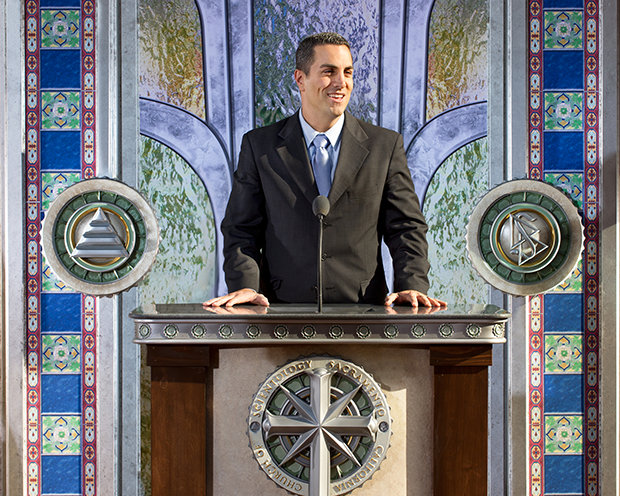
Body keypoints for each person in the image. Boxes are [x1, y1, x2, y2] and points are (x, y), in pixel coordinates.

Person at [205, 32, 445, 308]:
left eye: (348, 72)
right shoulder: (260, 146)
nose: (341, 82)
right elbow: (241, 228)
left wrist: (411, 284)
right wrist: (245, 285)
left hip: (365, 311)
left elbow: (406, 227)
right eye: (329, 72)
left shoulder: (385, 146)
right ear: (300, 79)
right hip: (279, 312)